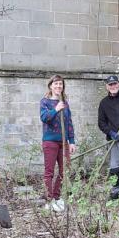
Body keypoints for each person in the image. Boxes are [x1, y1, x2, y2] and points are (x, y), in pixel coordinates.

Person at [39, 75, 76, 211]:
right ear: (50, 86)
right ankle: (49, 200)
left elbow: (69, 123)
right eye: (56, 84)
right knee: (49, 172)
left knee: (64, 170)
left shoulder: (65, 102)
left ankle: (57, 197)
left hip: (64, 142)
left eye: (60, 84)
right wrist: (55, 109)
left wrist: (71, 141)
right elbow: (44, 118)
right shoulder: (45, 102)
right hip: (50, 141)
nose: (58, 86)